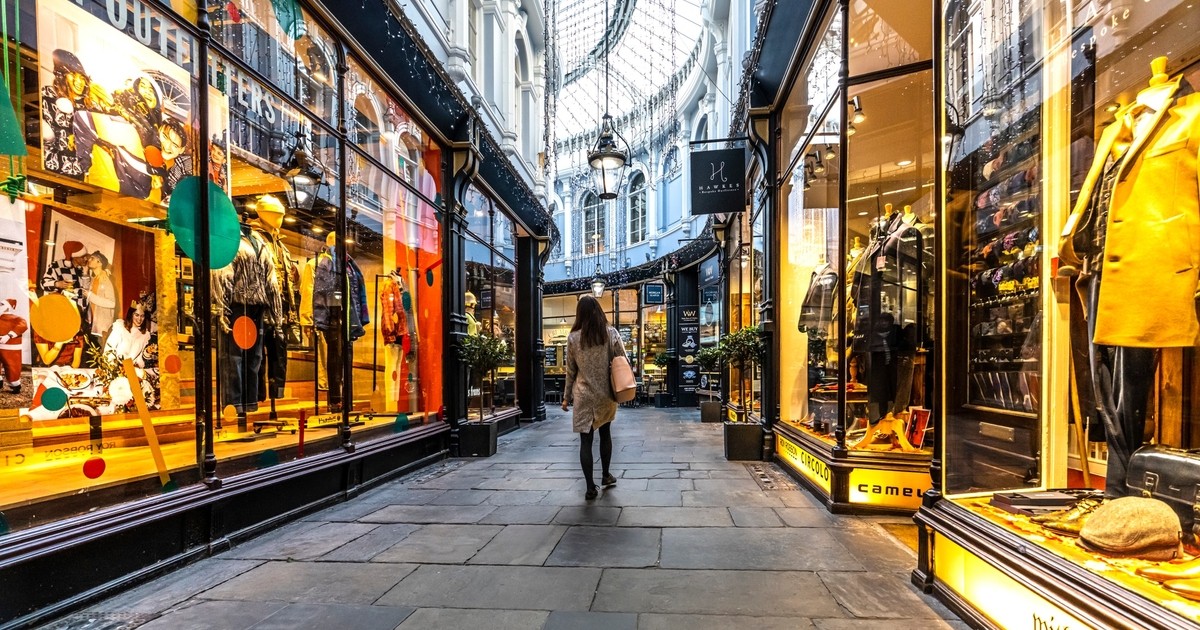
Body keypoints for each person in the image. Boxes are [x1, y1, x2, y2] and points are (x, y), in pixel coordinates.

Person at [562, 295, 626, 500]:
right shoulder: (610, 333)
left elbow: (570, 371)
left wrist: (565, 398)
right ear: (598, 310)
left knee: (585, 441)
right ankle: (606, 475)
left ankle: (590, 487)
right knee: (605, 433)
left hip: (583, 395)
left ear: (579, 313)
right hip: (606, 393)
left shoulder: (573, 338)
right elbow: (622, 359)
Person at [83, 251, 116, 340]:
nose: (89, 260)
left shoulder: (105, 279)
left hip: (102, 328)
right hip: (92, 323)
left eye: (92, 258)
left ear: (100, 263)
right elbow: (86, 291)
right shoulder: (95, 278)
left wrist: (91, 296)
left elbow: (112, 303)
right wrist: (85, 273)